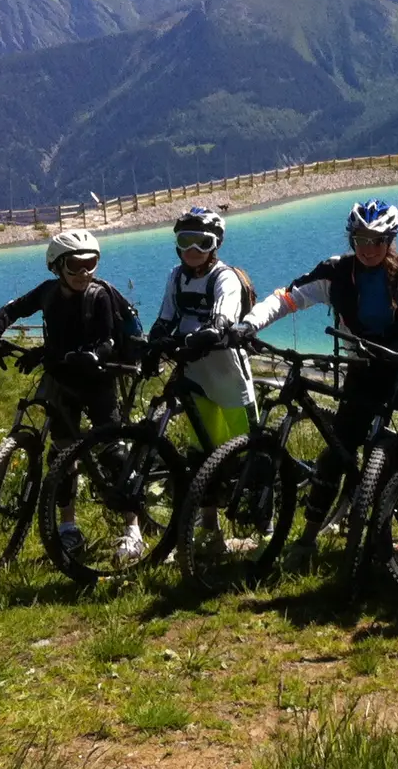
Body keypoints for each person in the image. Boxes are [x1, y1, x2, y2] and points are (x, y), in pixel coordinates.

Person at [229, 199, 398, 569]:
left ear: (391, 240)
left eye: (377, 240)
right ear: (351, 237)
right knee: (338, 449)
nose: (368, 248)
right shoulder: (337, 273)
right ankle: (308, 539)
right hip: (364, 366)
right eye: (360, 239)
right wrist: (248, 325)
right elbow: (287, 299)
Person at [0, 229, 144, 561]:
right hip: (62, 380)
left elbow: (106, 340)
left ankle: (133, 530)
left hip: (99, 381)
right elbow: (11, 310)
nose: (84, 273)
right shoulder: (49, 292)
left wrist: (83, 354)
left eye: (91, 264)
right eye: (75, 266)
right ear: (56, 266)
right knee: (62, 457)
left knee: (114, 455)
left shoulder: (101, 295)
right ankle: (69, 530)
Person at [147, 207, 257, 558]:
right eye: (185, 241)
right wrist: (153, 344)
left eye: (202, 242)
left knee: (248, 448)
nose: (192, 249)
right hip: (193, 371)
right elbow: (165, 316)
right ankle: (211, 529)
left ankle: (265, 524)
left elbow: (223, 318)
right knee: (202, 452)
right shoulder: (175, 276)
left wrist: (203, 336)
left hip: (226, 371)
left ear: (215, 244)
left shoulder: (224, 278)